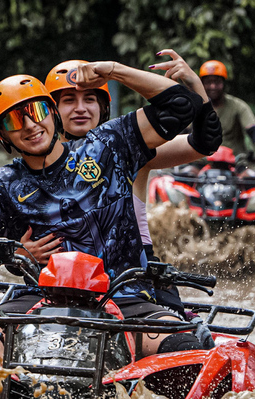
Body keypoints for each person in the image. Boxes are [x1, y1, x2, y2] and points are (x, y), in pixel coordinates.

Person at [0, 62, 213, 356]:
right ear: (4, 137)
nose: (29, 126)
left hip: (123, 294)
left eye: (37, 113)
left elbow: (184, 106)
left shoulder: (111, 145)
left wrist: (115, 70)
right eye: (14, 121)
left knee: (182, 348)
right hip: (41, 296)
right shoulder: (2, 184)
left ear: (52, 114)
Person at [39, 51, 222, 317]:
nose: (80, 108)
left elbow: (205, 141)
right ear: (51, 111)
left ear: (103, 108)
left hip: (133, 273)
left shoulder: (130, 146)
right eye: (69, 100)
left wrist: (196, 86)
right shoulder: (35, 164)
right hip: (60, 276)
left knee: (179, 336)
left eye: (89, 98)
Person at [199, 59, 255, 162]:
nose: (212, 86)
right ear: (202, 84)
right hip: (203, 159)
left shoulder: (237, 106)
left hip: (234, 160)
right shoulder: (197, 106)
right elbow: (183, 133)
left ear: (224, 83)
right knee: (187, 173)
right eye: (208, 82)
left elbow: (253, 130)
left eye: (217, 82)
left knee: (249, 176)